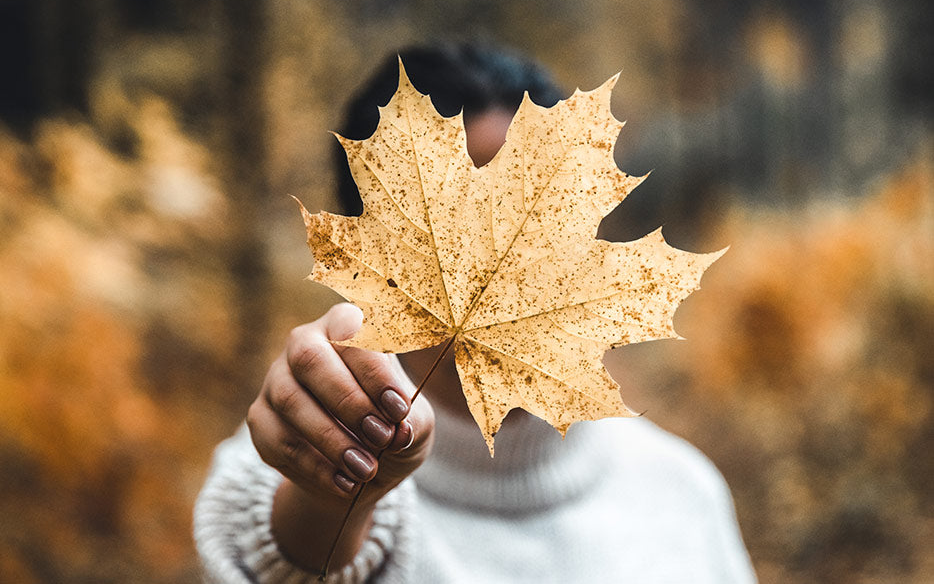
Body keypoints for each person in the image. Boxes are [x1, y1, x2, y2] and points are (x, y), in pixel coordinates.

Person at [194, 42, 757, 583]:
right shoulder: (295, 463)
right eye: (461, 220)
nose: (517, 251)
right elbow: (280, 561)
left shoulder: (685, 492)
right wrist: (331, 499)